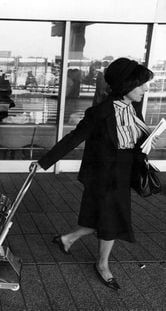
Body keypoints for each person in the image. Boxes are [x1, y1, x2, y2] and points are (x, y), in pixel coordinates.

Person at [36, 57, 157, 290]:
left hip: (122, 173)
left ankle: (67, 239)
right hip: (103, 175)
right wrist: (43, 162)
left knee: (103, 218)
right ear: (126, 84)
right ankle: (102, 265)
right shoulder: (100, 112)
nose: (145, 88)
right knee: (111, 219)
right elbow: (74, 138)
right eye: (141, 84)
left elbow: (134, 141)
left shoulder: (133, 108)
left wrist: (149, 141)